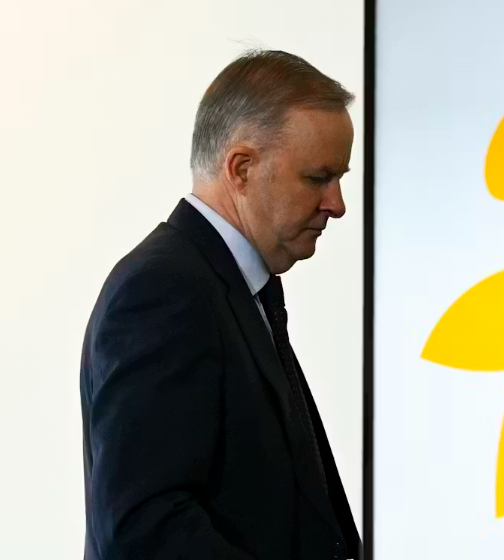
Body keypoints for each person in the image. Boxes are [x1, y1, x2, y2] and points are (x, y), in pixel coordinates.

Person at [79, 49, 360, 560]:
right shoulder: (165, 290)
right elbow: (145, 527)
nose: (337, 204)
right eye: (319, 178)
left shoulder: (236, 286)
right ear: (241, 169)